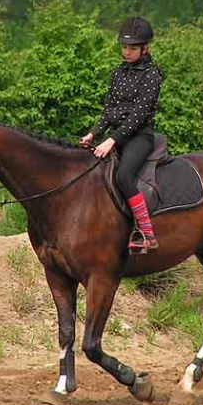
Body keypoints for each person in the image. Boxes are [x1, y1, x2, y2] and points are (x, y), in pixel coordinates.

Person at [80, 16, 163, 252]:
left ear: (145, 48)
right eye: (124, 47)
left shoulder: (152, 75)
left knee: (125, 176)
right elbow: (110, 110)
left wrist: (111, 140)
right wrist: (94, 133)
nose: (127, 52)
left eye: (132, 48)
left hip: (139, 136)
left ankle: (147, 233)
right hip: (115, 134)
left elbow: (138, 115)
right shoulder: (118, 72)